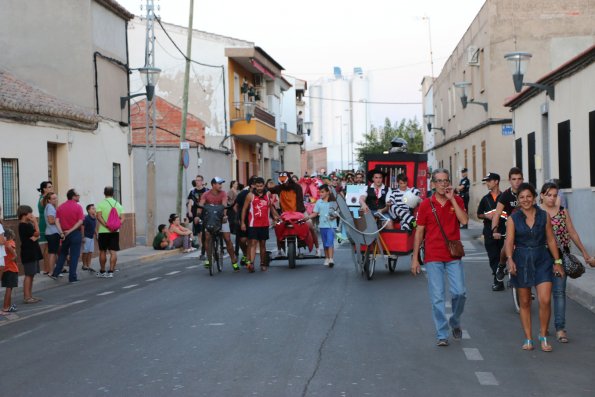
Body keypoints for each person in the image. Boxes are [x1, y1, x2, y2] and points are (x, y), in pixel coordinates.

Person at [411, 168, 468, 347]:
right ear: (433, 184)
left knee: (460, 292)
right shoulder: (426, 205)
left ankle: (455, 321)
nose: (443, 184)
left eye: (446, 181)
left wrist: (453, 200)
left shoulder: (456, 200)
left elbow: (465, 221)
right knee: (437, 297)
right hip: (433, 255)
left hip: (452, 255)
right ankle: (442, 333)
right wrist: (414, 258)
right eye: (439, 181)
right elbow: (419, 231)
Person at [504, 183, 563, 352]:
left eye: (528, 196)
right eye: (521, 197)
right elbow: (509, 241)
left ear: (534, 197)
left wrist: (557, 262)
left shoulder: (544, 216)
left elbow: (551, 240)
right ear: (518, 200)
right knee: (525, 302)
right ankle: (528, 338)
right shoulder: (513, 219)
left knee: (545, 300)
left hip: (542, 259)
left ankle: (543, 336)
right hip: (521, 259)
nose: (525, 200)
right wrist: (509, 259)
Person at [540, 182, 595, 343]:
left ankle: (560, 328)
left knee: (559, 292)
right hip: (542, 257)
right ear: (542, 195)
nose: (551, 198)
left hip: (561, 256)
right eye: (549, 195)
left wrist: (585, 253)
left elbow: (572, 232)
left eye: (554, 195)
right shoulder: (537, 213)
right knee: (544, 296)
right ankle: (544, 326)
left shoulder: (563, 212)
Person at [198, 177, 239, 272]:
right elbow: (201, 205)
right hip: (209, 220)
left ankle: (234, 261)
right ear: (213, 185)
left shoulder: (223, 193)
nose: (221, 185)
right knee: (207, 237)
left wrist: (224, 215)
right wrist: (198, 215)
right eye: (219, 183)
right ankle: (208, 259)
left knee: (227, 239)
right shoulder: (206, 194)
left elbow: (224, 205)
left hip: (221, 219)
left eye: (221, 183)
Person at [491, 167, 524, 283]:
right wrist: (495, 230)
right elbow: (497, 214)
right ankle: (501, 266)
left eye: (519, 179)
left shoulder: (527, 192)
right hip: (511, 226)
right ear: (509, 180)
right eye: (514, 179)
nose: (517, 182)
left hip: (526, 227)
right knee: (506, 246)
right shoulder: (505, 195)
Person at [476, 173, 507, 291]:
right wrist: (486, 216)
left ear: (496, 182)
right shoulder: (485, 199)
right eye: (486, 181)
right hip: (489, 232)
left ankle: (505, 275)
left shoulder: (505, 197)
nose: (487, 183)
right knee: (493, 257)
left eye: (489, 181)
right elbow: (479, 214)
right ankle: (498, 281)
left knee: (503, 257)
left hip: (504, 231)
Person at [240, 177, 277, 272]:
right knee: (252, 243)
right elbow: (244, 209)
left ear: (264, 185)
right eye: (257, 186)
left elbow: (270, 207)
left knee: (263, 244)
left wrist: (275, 217)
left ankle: (262, 263)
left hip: (264, 223)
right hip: (253, 223)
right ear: (255, 186)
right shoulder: (250, 195)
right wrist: (243, 223)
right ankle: (251, 263)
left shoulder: (268, 194)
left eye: (261, 186)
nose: (259, 188)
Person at [50, 189, 84, 283]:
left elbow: (57, 221)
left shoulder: (60, 207)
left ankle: (55, 273)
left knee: (63, 254)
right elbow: (80, 221)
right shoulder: (78, 207)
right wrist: (71, 230)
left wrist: (61, 232)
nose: (79, 196)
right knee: (74, 255)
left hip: (64, 234)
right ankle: (72, 277)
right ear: (73, 196)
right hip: (75, 233)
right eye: (77, 195)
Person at [95, 186, 123, 278]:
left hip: (103, 231)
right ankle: (111, 271)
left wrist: (106, 225)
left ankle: (102, 271)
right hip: (115, 231)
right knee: (113, 251)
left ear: (104, 193)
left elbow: (98, 216)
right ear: (113, 193)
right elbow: (123, 218)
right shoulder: (118, 204)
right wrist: (116, 226)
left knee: (102, 251)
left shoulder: (101, 204)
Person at [308, 184, 338, 267]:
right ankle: (327, 258)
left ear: (328, 192)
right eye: (319, 192)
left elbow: (337, 212)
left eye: (322, 192)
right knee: (325, 244)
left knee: (330, 241)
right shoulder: (318, 202)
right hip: (322, 226)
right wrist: (307, 217)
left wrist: (334, 216)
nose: (320, 194)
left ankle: (331, 259)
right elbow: (315, 213)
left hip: (331, 226)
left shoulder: (333, 202)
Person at [18, 205, 43, 303]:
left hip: (32, 252)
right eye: (30, 213)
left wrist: (35, 235)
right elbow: (37, 233)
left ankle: (29, 296)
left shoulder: (26, 225)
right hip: (29, 253)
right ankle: (27, 297)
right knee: (29, 275)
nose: (32, 215)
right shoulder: (24, 225)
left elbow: (35, 236)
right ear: (24, 214)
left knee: (32, 274)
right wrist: (35, 222)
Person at [234, 177, 255, 265]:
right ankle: (246, 254)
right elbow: (235, 206)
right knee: (242, 240)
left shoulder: (260, 194)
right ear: (252, 185)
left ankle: (249, 261)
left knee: (251, 240)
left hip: (254, 220)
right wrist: (239, 216)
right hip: (244, 219)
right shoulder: (243, 194)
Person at [187, 175, 208, 259]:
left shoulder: (207, 191)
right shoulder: (192, 192)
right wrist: (189, 211)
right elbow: (190, 202)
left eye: (199, 180)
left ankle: (207, 248)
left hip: (205, 212)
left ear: (202, 181)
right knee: (199, 233)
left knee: (205, 232)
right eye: (196, 180)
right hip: (196, 213)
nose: (197, 182)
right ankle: (201, 249)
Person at [43, 192, 63, 277]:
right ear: (49, 200)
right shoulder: (50, 207)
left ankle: (54, 271)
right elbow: (51, 221)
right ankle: (51, 272)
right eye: (53, 198)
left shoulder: (49, 207)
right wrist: (59, 220)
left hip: (51, 233)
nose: (56, 200)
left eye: (56, 198)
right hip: (53, 233)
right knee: (52, 253)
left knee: (53, 252)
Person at [36, 181, 54, 274]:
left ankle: (49, 268)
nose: (51, 188)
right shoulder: (44, 199)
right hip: (45, 224)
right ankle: (47, 269)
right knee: (47, 248)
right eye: (49, 187)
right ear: (44, 189)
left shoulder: (43, 198)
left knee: (48, 247)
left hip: (45, 223)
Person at [1, 228, 18, 314]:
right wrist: (15, 255)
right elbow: (10, 247)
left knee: (9, 288)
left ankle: (8, 306)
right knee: (9, 289)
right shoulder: (10, 242)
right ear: (11, 236)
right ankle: (5, 307)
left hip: (5, 269)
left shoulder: (3, 244)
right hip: (11, 268)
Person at [81, 204, 97, 272]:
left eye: (94, 208)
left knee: (90, 252)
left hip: (91, 237)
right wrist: (83, 237)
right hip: (86, 237)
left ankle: (89, 265)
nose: (94, 209)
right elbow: (82, 227)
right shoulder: (86, 218)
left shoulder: (94, 218)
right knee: (85, 252)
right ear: (88, 210)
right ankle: (84, 265)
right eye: (92, 208)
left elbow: (94, 227)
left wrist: (96, 233)